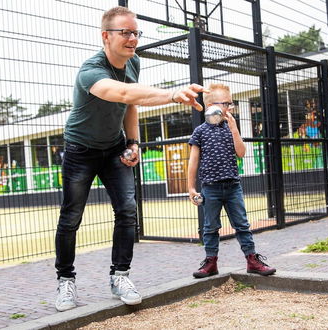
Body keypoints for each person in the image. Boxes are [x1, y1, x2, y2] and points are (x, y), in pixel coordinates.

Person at [55, 6, 206, 312]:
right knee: (72, 217)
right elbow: (123, 94)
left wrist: (134, 141)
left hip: (114, 148)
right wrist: (173, 95)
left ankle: (120, 276)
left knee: (127, 210)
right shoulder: (90, 71)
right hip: (80, 150)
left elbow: (133, 101)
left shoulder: (133, 61)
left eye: (135, 32)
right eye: (125, 32)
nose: (132, 38)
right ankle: (65, 280)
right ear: (106, 36)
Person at [187, 83, 276, 279]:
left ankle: (252, 260)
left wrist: (235, 129)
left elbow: (241, 153)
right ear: (211, 106)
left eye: (230, 103)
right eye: (226, 103)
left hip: (233, 186)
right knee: (210, 227)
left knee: (242, 225)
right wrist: (191, 187)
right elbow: (193, 161)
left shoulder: (231, 127)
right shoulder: (200, 132)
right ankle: (211, 262)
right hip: (210, 188)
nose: (230, 107)